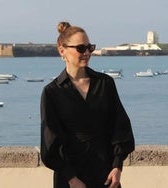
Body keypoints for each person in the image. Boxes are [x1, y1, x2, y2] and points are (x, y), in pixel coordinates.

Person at [40, 22, 135, 188]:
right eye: (81, 48)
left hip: (106, 176)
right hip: (71, 180)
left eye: (89, 47)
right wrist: (71, 179)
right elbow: (50, 144)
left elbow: (121, 127)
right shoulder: (52, 92)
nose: (87, 53)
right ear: (62, 51)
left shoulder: (105, 84)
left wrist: (117, 167)